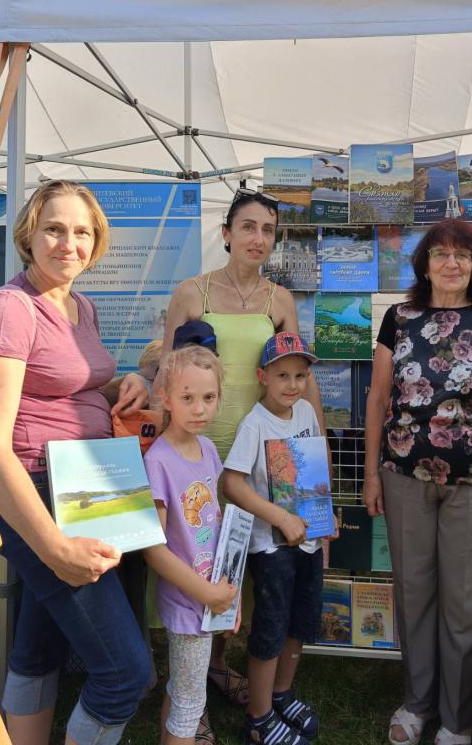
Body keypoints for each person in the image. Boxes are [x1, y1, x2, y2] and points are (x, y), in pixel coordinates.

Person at [0, 180, 152, 745]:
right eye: (54, 229)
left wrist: (126, 383)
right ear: (29, 234)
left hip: (87, 484)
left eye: (81, 232)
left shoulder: (79, 306)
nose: (69, 243)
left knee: (39, 646)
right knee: (126, 673)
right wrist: (54, 546)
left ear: (96, 242)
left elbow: (70, 384)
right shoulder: (8, 309)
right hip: (39, 493)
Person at [156, 187, 325, 738]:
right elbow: (168, 370)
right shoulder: (192, 292)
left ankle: (220, 670)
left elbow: (300, 381)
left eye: (268, 230)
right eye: (247, 227)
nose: (258, 238)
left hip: (260, 463)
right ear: (226, 233)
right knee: (200, 567)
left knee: (252, 573)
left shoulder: (280, 301)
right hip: (198, 457)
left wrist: (317, 458)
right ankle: (191, 698)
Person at [362, 218, 472, 745]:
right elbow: (378, 399)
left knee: (464, 604)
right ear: (424, 264)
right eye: (441, 253)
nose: (451, 263)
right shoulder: (398, 319)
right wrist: (371, 474)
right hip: (403, 478)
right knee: (412, 594)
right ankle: (416, 703)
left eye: (463, 255)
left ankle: (456, 719)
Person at [224, 331, 324, 745]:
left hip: (308, 541)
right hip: (270, 548)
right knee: (270, 628)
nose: (293, 384)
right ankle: (259, 715)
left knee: (300, 622)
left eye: (300, 375)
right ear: (262, 376)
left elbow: (313, 468)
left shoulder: (306, 413)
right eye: (282, 375)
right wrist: (281, 518)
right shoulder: (255, 423)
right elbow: (233, 483)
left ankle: (282, 693)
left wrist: (322, 520)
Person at [143, 340, 237, 745]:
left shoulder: (208, 449)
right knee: (190, 704)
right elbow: (154, 549)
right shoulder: (158, 462)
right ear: (166, 398)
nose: (200, 409)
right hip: (188, 602)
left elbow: (213, 520)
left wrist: (224, 595)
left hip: (208, 596)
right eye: (187, 398)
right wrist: (206, 594)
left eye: (208, 398)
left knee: (182, 690)